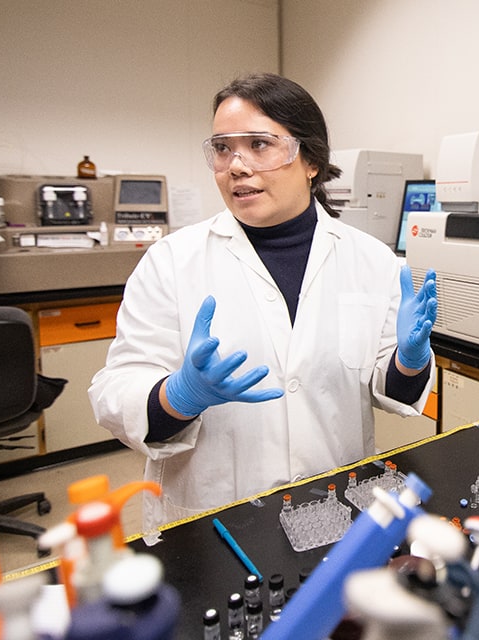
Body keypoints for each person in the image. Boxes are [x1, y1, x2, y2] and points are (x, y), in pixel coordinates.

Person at [89, 73, 437, 532]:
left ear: (310, 159)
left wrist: (409, 363)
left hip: (330, 505)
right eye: (222, 148)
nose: (235, 165)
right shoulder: (172, 261)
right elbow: (115, 391)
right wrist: (178, 396)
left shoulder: (371, 259)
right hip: (216, 518)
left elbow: (388, 388)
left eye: (258, 144)